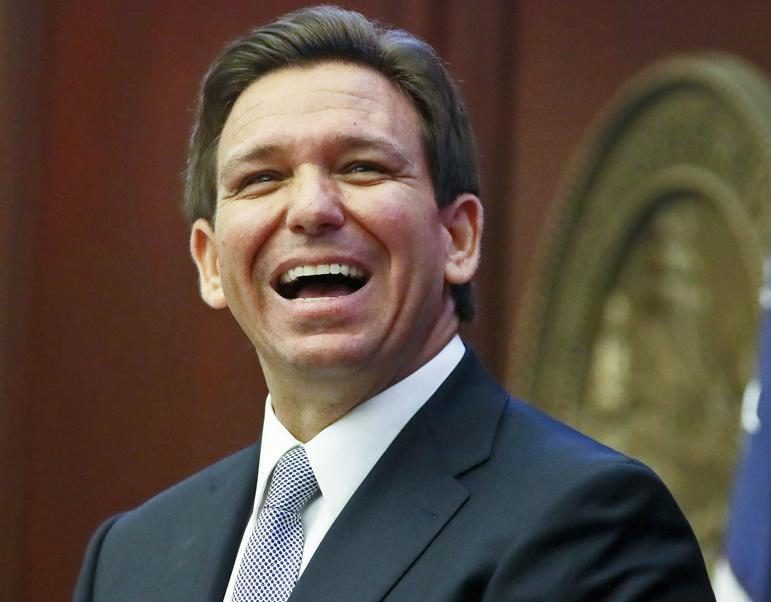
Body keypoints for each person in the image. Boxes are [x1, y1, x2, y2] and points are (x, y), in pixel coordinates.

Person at [73, 5, 714, 601]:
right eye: (261, 178)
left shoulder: (591, 523)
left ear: (458, 237)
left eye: (361, 167)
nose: (311, 209)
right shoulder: (131, 557)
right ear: (211, 262)